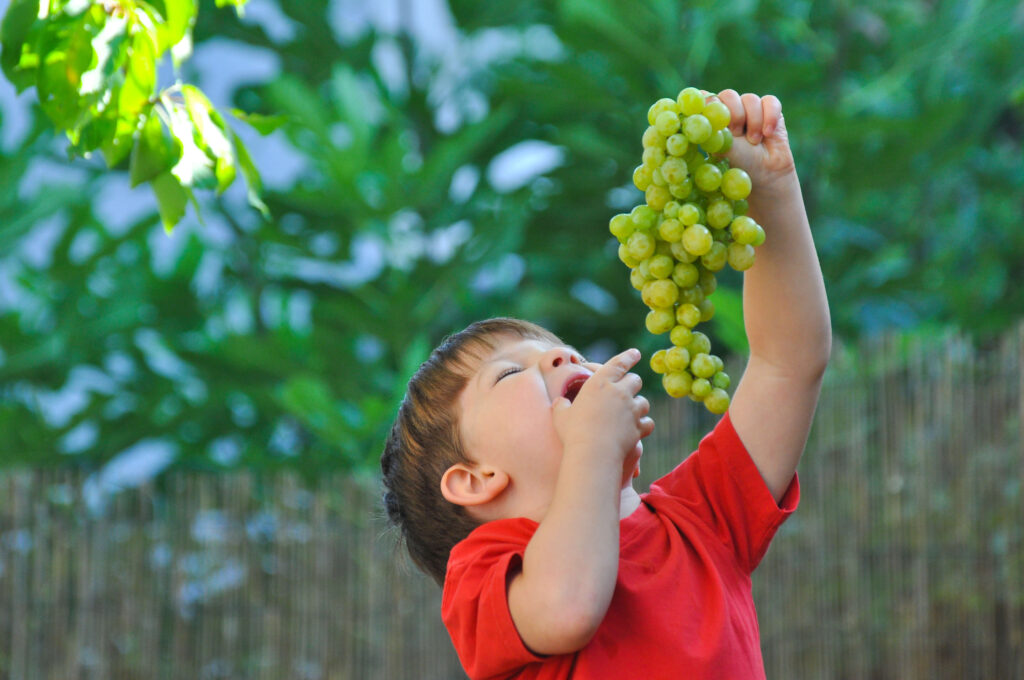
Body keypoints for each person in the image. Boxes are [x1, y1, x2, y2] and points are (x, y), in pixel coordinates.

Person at [380, 89, 831, 679]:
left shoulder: (702, 520)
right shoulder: (487, 574)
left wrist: (772, 191)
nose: (563, 355)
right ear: (475, 480)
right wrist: (593, 446)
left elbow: (788, 363)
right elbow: (568, 608)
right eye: (513, 371)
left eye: (560, 349)